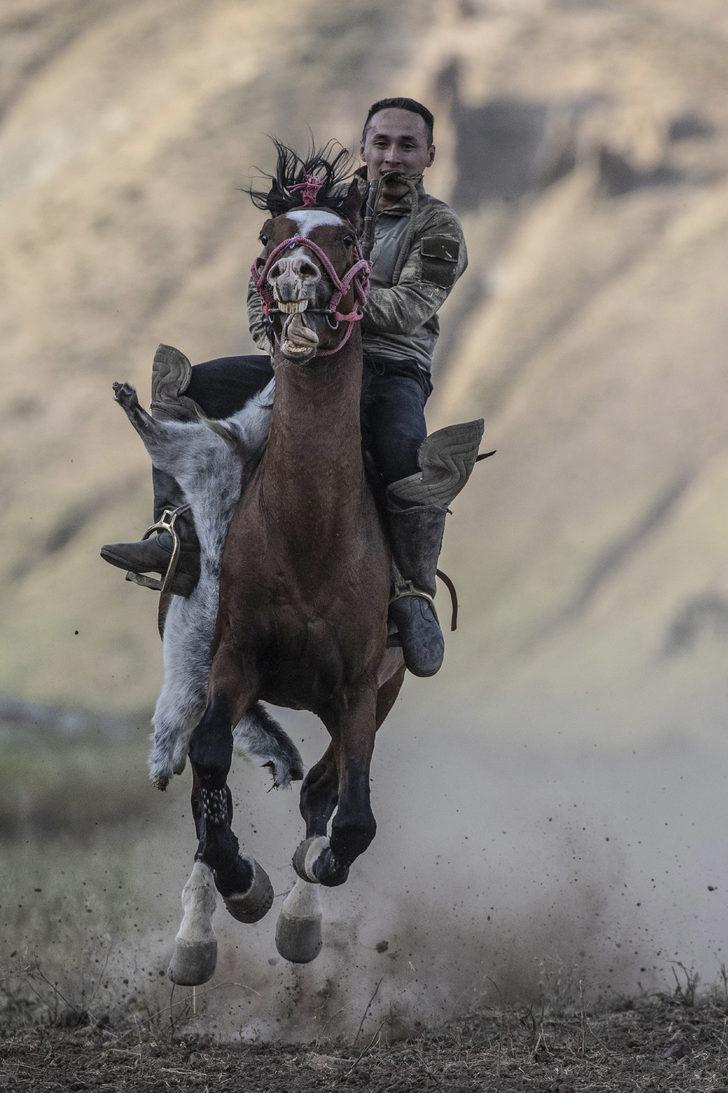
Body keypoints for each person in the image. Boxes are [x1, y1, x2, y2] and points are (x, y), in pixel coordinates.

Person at [102, 97, 470, 676]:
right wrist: (275, 335)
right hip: (303, 359)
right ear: (363, 147)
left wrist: (330, 297)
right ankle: (174, 535)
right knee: (182, 387)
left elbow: (409, 308)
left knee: (405, 452)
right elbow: (263, 283)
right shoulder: (320, 211)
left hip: (389, 367)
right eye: (381, 143)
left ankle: (412, 591)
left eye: (407, 145)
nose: (392, 156)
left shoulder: (438, 227)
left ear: (429, 154)